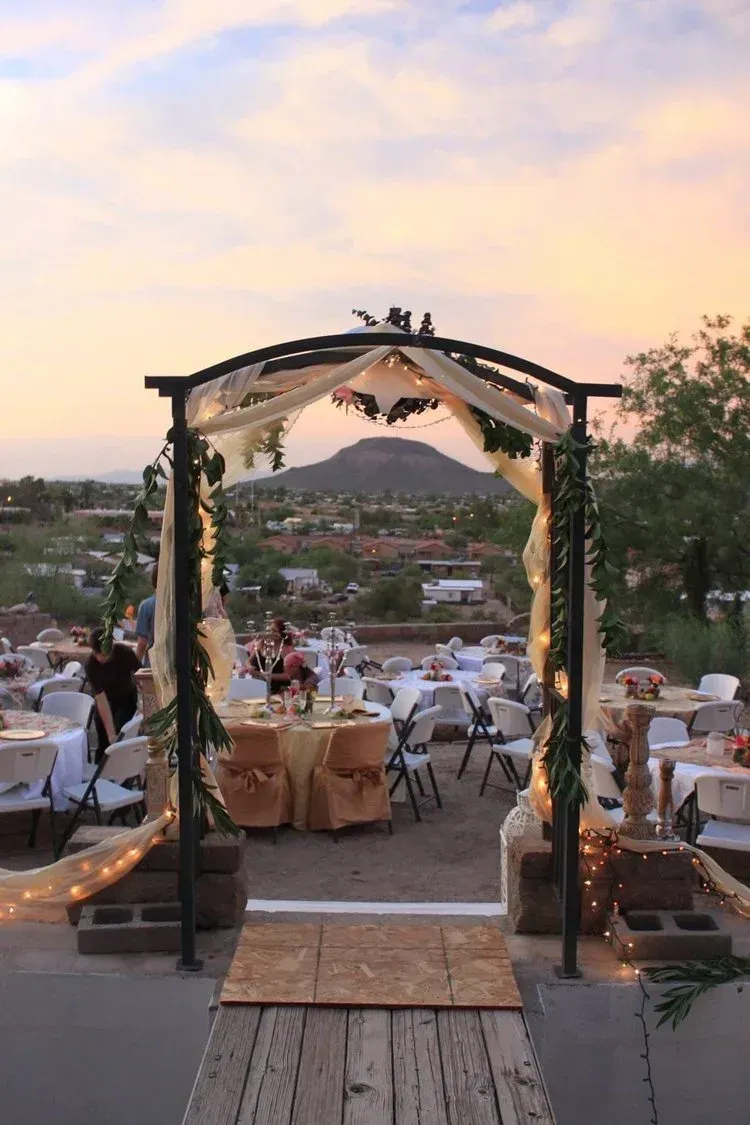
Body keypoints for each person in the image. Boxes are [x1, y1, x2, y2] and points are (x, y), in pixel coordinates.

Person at [86, 627, 140, 762]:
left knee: (121, 735)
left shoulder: (125, 653)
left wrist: (143, 704)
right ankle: (100, 775)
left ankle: (123, 776)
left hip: (126, 698)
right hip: (105, 700)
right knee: (104, 740)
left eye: (105, 654)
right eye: (97, 654)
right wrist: (110, 734)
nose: (101, 658)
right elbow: (101, 698)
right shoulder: (91, 665)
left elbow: (142, 677)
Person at [246, 617, 295, 687]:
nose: (270, 633)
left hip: (277, 688)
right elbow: (248, 661)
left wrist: (266, 675)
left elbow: (288, 675)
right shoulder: (261, 643)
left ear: (282, 633)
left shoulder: (286, 649)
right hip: (256, 684)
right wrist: (249, 667)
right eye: (269, 630)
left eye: (274, 631)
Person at [135, 562, 158, 665]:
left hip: (153, 665)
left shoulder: (147, 605)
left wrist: (135, 668)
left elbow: (142, 643)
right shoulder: (179, 604)